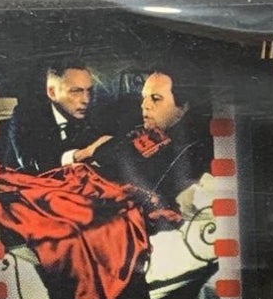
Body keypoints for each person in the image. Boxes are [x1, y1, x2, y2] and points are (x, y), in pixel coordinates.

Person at [91, 68, 213, 211]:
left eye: (156, 98)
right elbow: (102, 154)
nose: (144, 105)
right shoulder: (157, 131)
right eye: (144, 97)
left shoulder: (192, 146)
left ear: (183, 106)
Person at [2, 64, 113, 175]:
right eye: (75, 91)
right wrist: (84, 153)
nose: (86, 100)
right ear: (52, 93)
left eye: (89, 91)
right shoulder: (26, 115)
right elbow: (33, 164)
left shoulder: (94, 115)